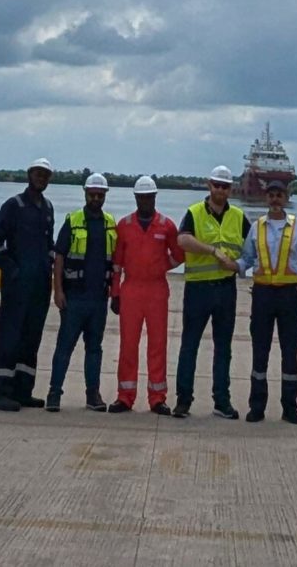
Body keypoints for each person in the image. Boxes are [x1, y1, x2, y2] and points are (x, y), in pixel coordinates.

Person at [171, 164, 246, 419]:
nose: (221, 190)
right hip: (199, 290)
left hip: (226, 289)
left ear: (230, 188)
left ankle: (221, 401)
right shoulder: (194, 213)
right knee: (189, 345)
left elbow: (252, 248)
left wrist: (238, 265)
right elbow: (182, 240)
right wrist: (213, 251)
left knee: (223, 348)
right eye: (217, 185)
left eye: (225, 186)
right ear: (209, 185)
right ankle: (183, 400)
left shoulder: (238, 215)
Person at [0, 158, 55, 412]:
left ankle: (23, 390)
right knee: (9, 336)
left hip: (39, 287)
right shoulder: (14, 206)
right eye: (38, 174)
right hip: (17, 288)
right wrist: (12, 271)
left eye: (45, 175)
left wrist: (48, 269)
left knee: (31, 337)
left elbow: (49, 247)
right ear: (29, 175)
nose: (41, 178)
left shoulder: (47, 208)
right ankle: (1, 391)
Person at [240, 179, 297, 423]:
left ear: (286, 197)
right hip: (262, 295)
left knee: (289, 352)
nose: (275, 199)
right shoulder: (257, 227)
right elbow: (247, 259)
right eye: (271, 195)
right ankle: (257, 406)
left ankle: (290, 407)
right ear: (266, 198)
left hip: (288, 296)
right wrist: (230, 265)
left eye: (279, 195)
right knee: (259, 351)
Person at [110, 174, 183, 414]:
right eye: (141, 198)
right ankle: (125, 396)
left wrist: (164, 266)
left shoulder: (166, 225)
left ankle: (157, 397)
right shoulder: (124, 226)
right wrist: (115, 292)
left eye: (148, 198)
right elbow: (117, 264)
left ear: (154, 198)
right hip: (131, 290)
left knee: (158, 344)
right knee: (128, 344)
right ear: (136, 198)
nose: (145, 202)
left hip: (156, 290)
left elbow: (179, 254)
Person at [46, 173, 118, 412]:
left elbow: (117, 262)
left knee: (94, 349)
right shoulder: (73, 221)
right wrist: (57, 291)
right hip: (74, 297)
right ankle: (54, 393)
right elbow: (59, 257)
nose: (96, 198)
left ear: (105, 195)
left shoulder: (110, 223)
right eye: (92, 194)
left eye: (100, 195)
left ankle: (92, 395)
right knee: (64, 347)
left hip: (99, 298)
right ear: (85, 193)